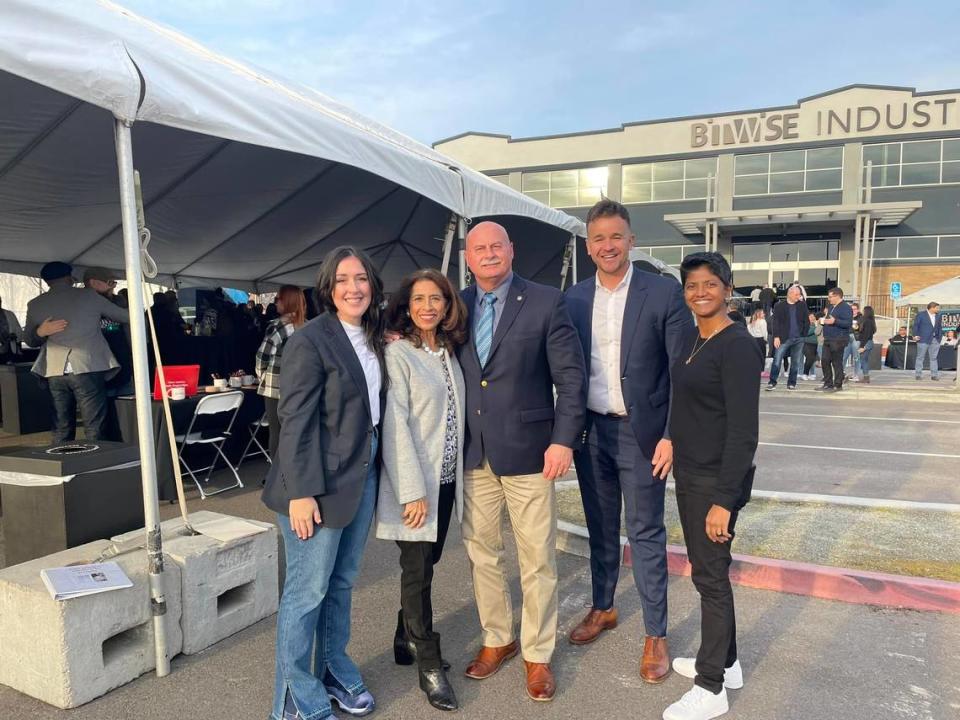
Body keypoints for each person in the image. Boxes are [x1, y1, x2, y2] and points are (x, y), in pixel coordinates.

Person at [565, 199, 692, 683]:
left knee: (644, 533)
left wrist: (669, 434)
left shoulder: (662, 293)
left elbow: (681, 371)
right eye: (598, 238)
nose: (607, 246)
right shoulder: (574, 298)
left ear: (631, 240)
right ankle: (603, 607)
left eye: (615, 236)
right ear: (588, 245)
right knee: (600, 528)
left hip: (642, 435)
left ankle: (656, 634)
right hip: (590, 433)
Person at [457, 221, 585, 703]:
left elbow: (570, 379)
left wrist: (563, 440)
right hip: (474, 452)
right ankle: (498, 639)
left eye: (496, 246)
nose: (488, 254)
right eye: (479, 248)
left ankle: (537, 653)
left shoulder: (547, 301)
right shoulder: (458, 306)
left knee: (536, 558)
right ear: (468, 258)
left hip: (532, 452)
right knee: (482, 553)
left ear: (511, 251)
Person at [261, 246, 385, 720]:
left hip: (362, 472)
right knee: (306, 591)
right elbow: (294, 420)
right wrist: (301, 492)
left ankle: (332, 669)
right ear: (328, 288)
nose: (353, 288)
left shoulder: (374, 336)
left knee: (341, 582)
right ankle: (294, 698)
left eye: (361, 279)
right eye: (342, 280)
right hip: (315, 481)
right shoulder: (310, 340)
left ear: (372, 285)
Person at [662, 252, 761, 720]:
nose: (700, 293)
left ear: (727, 288)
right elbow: (684, 404)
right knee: (710, 571)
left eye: (710, 284)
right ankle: (729, 662)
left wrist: (724, 501)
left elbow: (744, 432)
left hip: (715, 479)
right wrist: (668, 439)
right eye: (691, 286)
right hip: (691, 471)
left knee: (710, 578)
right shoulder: (690, 337)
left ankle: (711, 687)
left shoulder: (738, 346)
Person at [377, 269, 468, 712]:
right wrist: (412, 491)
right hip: (414, 487)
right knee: (418, 574)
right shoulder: (399, 354)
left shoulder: (449, 352)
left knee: (425, 564)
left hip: (447, 482)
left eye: (437, 298)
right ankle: (427, 661)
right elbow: (395, 427)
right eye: (419, 299)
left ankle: (402, 638)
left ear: (448, 306)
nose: (428, 306)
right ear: (406, 305)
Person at [24, 261, 129, 443]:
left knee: (61, 424)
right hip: (87, 365)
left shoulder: (35, 304)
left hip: (54, 369)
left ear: (47, 281)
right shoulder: (88, 296)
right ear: (69, 278)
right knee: (94, 425)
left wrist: (41, 331)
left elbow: (30, 340)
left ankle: (62, 462)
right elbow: (125, 316)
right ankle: (96, 464)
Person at [256, 285, 307, 458]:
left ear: (287, 301)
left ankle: (277, 475)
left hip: (275, 388)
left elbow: (262, 356)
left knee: (276, 432)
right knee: (297, 431)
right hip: (302, 387)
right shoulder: (308, 327)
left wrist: (262, 375)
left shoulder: (277, 327)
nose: (275, 302)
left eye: (278, 299)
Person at [83, 267, 133, 396]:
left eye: (114, 283)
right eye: (110, 283)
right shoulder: (80, 302)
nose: (113, 287)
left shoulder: (119, 301)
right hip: (98, 366)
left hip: (122, 358)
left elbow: (128, 326)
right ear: (93, 283)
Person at [765, 286, 808, 391]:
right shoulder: (779, 306)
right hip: (784, 338)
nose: (799, 297)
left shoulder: (802, 305)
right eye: (796, 295)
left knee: (795, 362)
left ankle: (792, 383)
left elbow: (806, 320)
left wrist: (803, 334)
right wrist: (776, 337)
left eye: (799, 294)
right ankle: (772, 382)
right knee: (777, 360)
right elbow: (776, 323)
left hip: (799, 338)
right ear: (790, 293)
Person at [815, 287, 852, 393]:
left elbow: (847, 323)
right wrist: (823, 321)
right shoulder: (831, 307)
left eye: (830, 297)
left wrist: (835, 321)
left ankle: (838, 384)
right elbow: (829, 320)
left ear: (837, 296)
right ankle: (828, 384)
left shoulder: (846, 307)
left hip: (839, 339)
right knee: (825, 361)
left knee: (836, 362)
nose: (829, 299)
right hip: (828, 338)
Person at [913, 301, 942, 381]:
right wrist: (915, 335)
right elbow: (916, 325)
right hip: (923, 339)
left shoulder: (938, 316)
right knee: (920, 357)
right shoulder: (921, 315)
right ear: (932, 308)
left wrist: (939, 338)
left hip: (935, 340)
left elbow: (939, 327)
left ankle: (934, 375)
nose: (938, 309)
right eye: (937, 308)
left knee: (933, 358)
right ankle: (918, 374)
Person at [854, 305, 877, 383]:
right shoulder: (871, 321)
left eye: (864, 311)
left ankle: (866, 377)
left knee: (863, 360)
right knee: (865, 360)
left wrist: (862, 346)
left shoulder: (867, 321)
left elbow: (865, 335)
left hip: (866, 343)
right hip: (869, 342)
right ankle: (866, 377)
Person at [0, 295, 23, 362]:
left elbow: (18, 330)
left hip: (10, 349)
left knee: (10, 371)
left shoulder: (10, 314)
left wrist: (15, 336)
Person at [843, 303, 862, 372]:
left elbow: (862, 329)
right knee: (844, 356)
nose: (853, 311)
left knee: (856, 357)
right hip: (847, 337)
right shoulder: (847, 317)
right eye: (851, 309)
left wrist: (857, 326)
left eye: (854, 309)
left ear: (858, 310)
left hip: (856, 338)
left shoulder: (861, 318)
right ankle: (842, 373)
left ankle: (856, 374)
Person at [801, 311, 820, 381]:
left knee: (812, 360)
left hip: (816, 345)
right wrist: (815, 326)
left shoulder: (817, 324)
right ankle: (804, 374)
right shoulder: (806, 324)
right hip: (807, 344)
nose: (812, 318)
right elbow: (807, 333)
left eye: (813, 317)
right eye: (810, 317)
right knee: (810, 358)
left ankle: (812, 374)